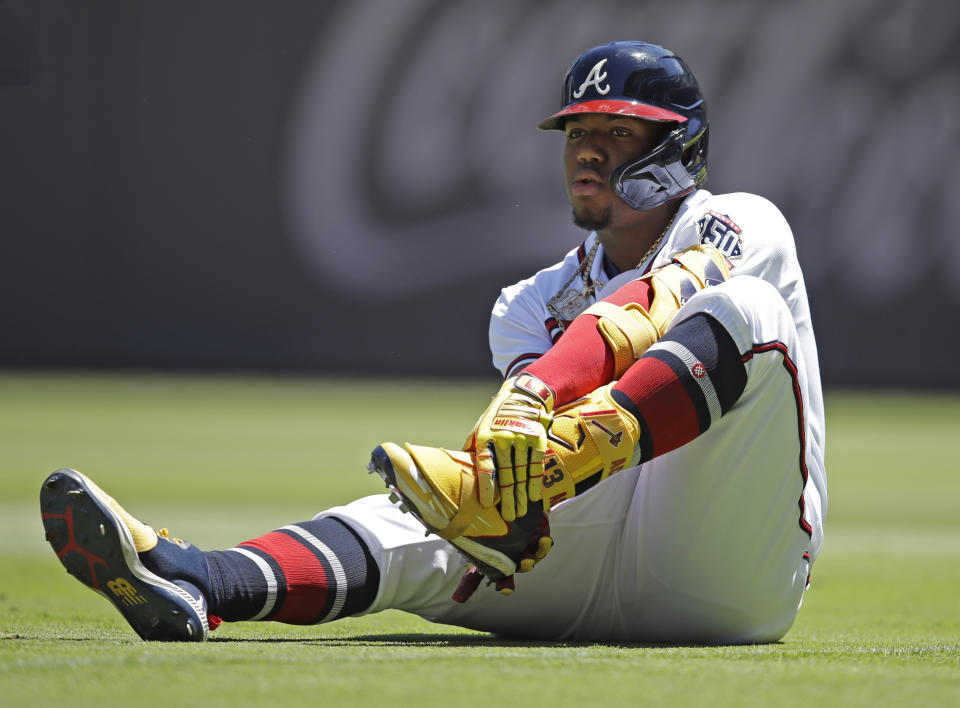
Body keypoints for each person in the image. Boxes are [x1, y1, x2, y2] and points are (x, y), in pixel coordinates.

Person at [39, 41, 825, 644]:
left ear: (678, 148)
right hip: (591, 545)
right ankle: (201, 581)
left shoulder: (744, 222)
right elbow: (540, 428)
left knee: (746, 309)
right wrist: (508, 488)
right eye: (578, 131)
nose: (588, 149)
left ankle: (513, 489)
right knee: (432, 518)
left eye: (619, 132)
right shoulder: (525, 307)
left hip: (733, 568)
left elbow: (655, 307)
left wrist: (533, 397)